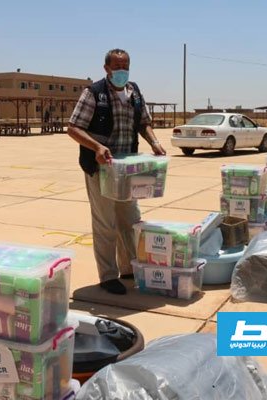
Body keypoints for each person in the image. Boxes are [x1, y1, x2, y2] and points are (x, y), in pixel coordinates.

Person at [68, 49, 166, 295]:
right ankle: (108, 276)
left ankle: (129, 268)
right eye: (117, 67)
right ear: (106, 68)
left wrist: (154, 142)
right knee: (105, 223)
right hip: (101, 168)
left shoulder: (134, 92)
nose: (122, 71)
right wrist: (97, 147)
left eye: (125, 66)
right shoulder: (94, 93)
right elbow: (73, 128)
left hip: (127, 169)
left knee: (130, 219)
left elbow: (144, 123)